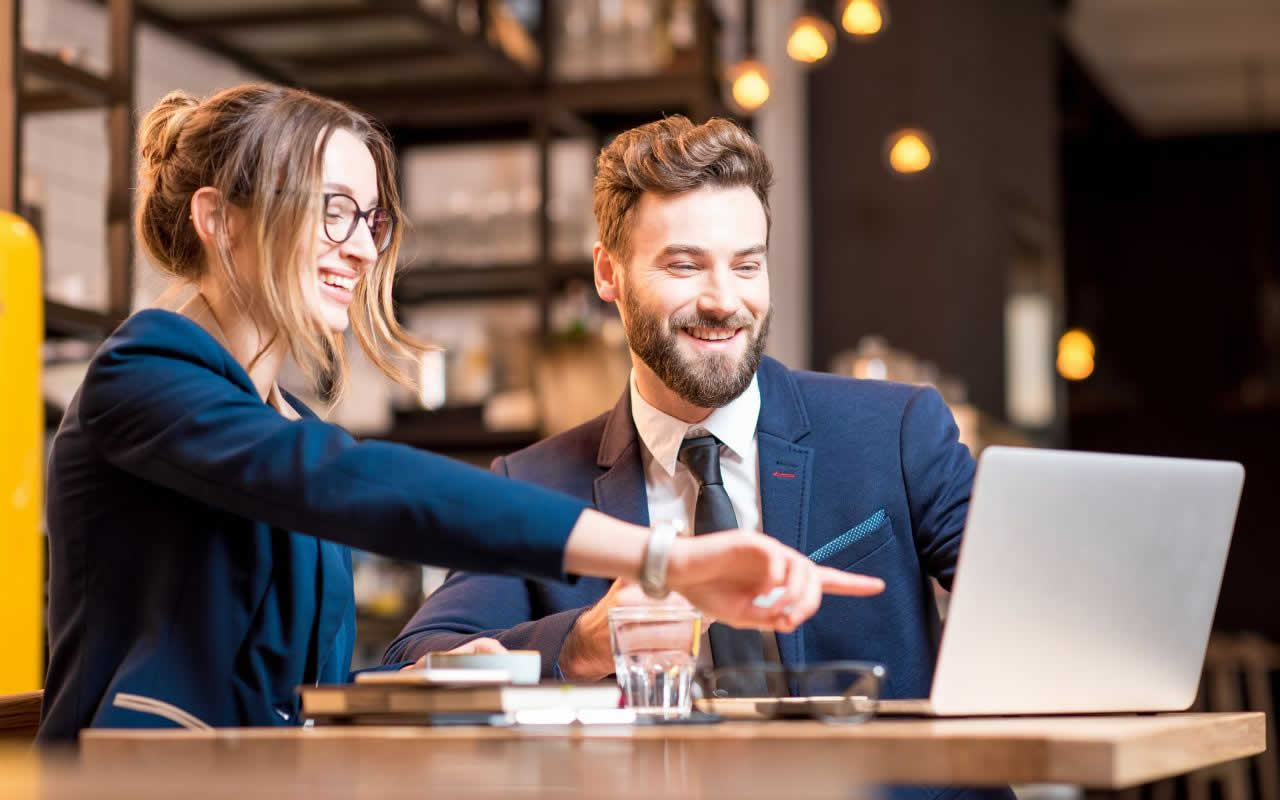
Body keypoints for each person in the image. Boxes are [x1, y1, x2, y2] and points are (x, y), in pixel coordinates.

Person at [38, 86, 883, 743]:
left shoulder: (281, 418)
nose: (364, 248)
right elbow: (354, 482)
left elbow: (284, 697)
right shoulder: (143, 373)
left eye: (370, 219)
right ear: (218, 217)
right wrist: (667, 560)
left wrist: (436, 679)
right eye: (332, 209)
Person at [384, 114, 980, 704]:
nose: (724, 301)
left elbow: (1031, 599)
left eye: (747, 265)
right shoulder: (535, 483)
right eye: (685, 265)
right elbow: (411, 661)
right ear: (607, 273)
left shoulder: (897, 432)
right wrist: (585, 642)